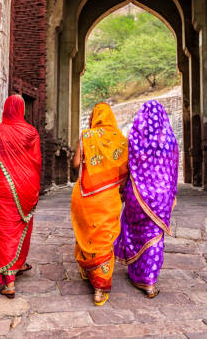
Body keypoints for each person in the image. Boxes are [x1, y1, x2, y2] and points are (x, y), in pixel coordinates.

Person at [0, 94, 41, 298]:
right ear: (22, 110)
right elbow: (36, 162)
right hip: (27, 186)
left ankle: (9, 281)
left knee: (5, 230)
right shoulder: (31, 132)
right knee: (22, 225)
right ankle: (17, 264)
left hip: (5, 186)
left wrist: (1, 177)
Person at [114, 100, 178, 298]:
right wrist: (171, 194)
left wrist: (120, 189)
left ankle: (137, 273)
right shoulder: (170, 142)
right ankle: (149, 280)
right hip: (161, 198)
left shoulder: (134, 140)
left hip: (137, 195)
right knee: (155, 236)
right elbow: (173, 171)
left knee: (134, 231)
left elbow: (125, 167)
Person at [71, 102, 128, 306]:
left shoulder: (87, 136)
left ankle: (88, 269)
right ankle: (100, 288)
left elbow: (76, 164)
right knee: (104, 239)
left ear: (94, 117)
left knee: (86, 234)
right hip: (108, 199)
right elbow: (124, 174)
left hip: (85, 195)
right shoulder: (121, 141)